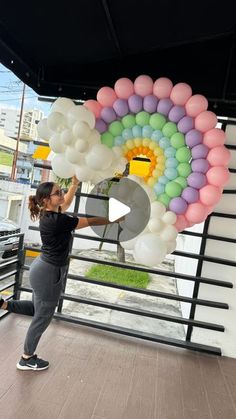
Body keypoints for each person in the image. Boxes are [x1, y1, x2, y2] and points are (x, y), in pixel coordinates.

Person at [0, 176, 115, 371]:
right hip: (49, 272)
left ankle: (4, 304)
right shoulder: (57, 221)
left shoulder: (51, 213)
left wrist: (74, 185)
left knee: (39, 309)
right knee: (43, 316)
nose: (61, 194)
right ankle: (26, 358)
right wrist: (113, 218)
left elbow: (67, 202)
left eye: (60, 190)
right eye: (57, 193)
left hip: (43, 268)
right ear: (46, 200)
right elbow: (90, 221)